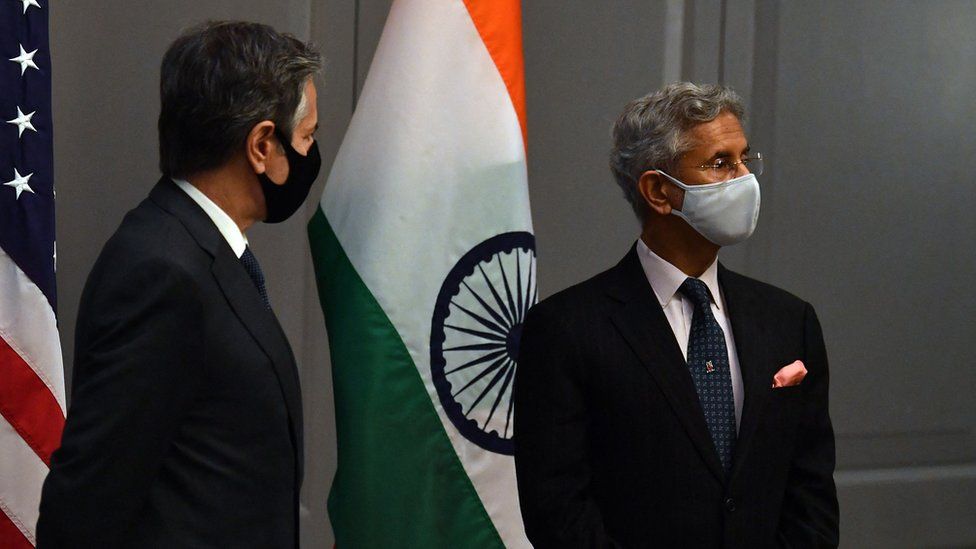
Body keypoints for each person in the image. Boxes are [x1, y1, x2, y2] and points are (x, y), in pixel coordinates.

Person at [514, 82, 839, 548]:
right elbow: (558, 510)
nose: (745, 178)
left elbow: (811, 494)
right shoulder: (567, 330)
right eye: (720, 163)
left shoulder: (789, 319)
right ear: (659, 192)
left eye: (746, 158)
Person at [36, 21, 322, 548]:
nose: (310, 153)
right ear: (262, 144)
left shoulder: (202, 250)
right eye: (305, 137)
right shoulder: (161, 272)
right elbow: (86, 505)